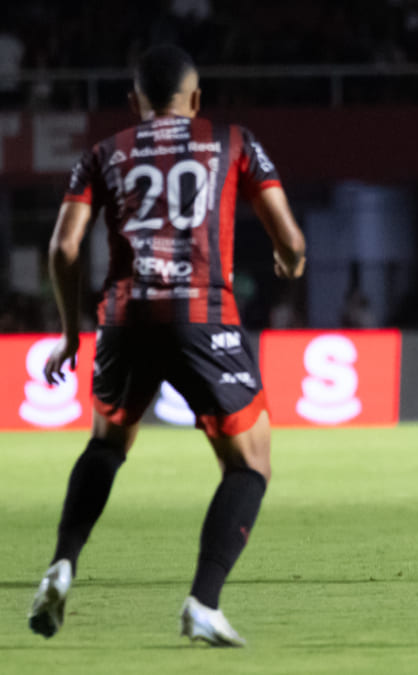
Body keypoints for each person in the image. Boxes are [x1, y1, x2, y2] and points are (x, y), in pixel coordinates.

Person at [29, 44, 306, 647]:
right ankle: (203, 603)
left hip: (125, 317)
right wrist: (291, 259)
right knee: (250, 461)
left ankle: (62, 564)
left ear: (136, 101)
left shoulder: (103, 154)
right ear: (196, 98)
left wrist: (71, 333)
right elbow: (289, 238)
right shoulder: (232, 140)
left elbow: (63, 248)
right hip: (203, 314)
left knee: (107, 444)